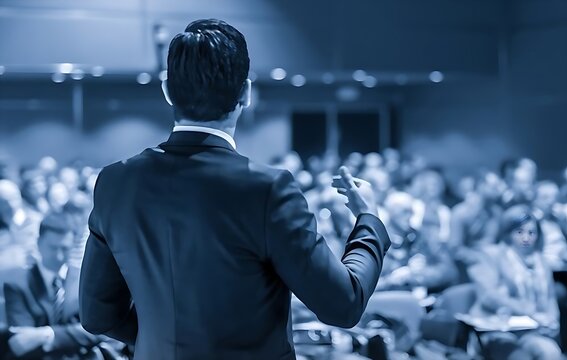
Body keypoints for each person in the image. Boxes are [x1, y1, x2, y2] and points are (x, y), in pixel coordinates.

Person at [78, 19, 391, 360]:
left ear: (167, 90)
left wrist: (167, 341)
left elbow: (97, 316)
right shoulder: (268, 189)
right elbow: (343, 305)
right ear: (246, 92)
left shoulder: (115, 182)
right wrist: (369, 220)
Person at [3, 214, 117, 359]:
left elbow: (100, 330)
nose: (58, 256)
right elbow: (22, 342)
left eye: (64, 249)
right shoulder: (17, 284)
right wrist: (72, 335)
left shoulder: (85, 280)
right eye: (53, 248)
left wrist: (47, 334)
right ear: (38, 243)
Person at [469, 205, 563, 360]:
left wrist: (552, 320)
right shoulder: (491, 255)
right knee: (519, 357)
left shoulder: (541, 261)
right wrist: (530, 311)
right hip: (498, 329)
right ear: (508, 232)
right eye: (519, 232)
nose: (526, 238)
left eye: (531, 233)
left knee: (551, 353)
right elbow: (488, 296)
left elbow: (550, 297)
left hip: (532, 331)